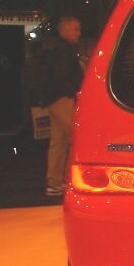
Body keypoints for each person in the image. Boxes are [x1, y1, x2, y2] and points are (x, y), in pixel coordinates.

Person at [45, 16, 83, 196]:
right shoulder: (64, 50)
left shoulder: (57, 48)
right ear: (65, 30)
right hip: (62, 99)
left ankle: (54, 183)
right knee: (75, 139)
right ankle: (69, 180)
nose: (79, 33)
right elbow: (61, 76)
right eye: (75, 29)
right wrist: (73, 91)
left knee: (58, 142)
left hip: (54, 99)